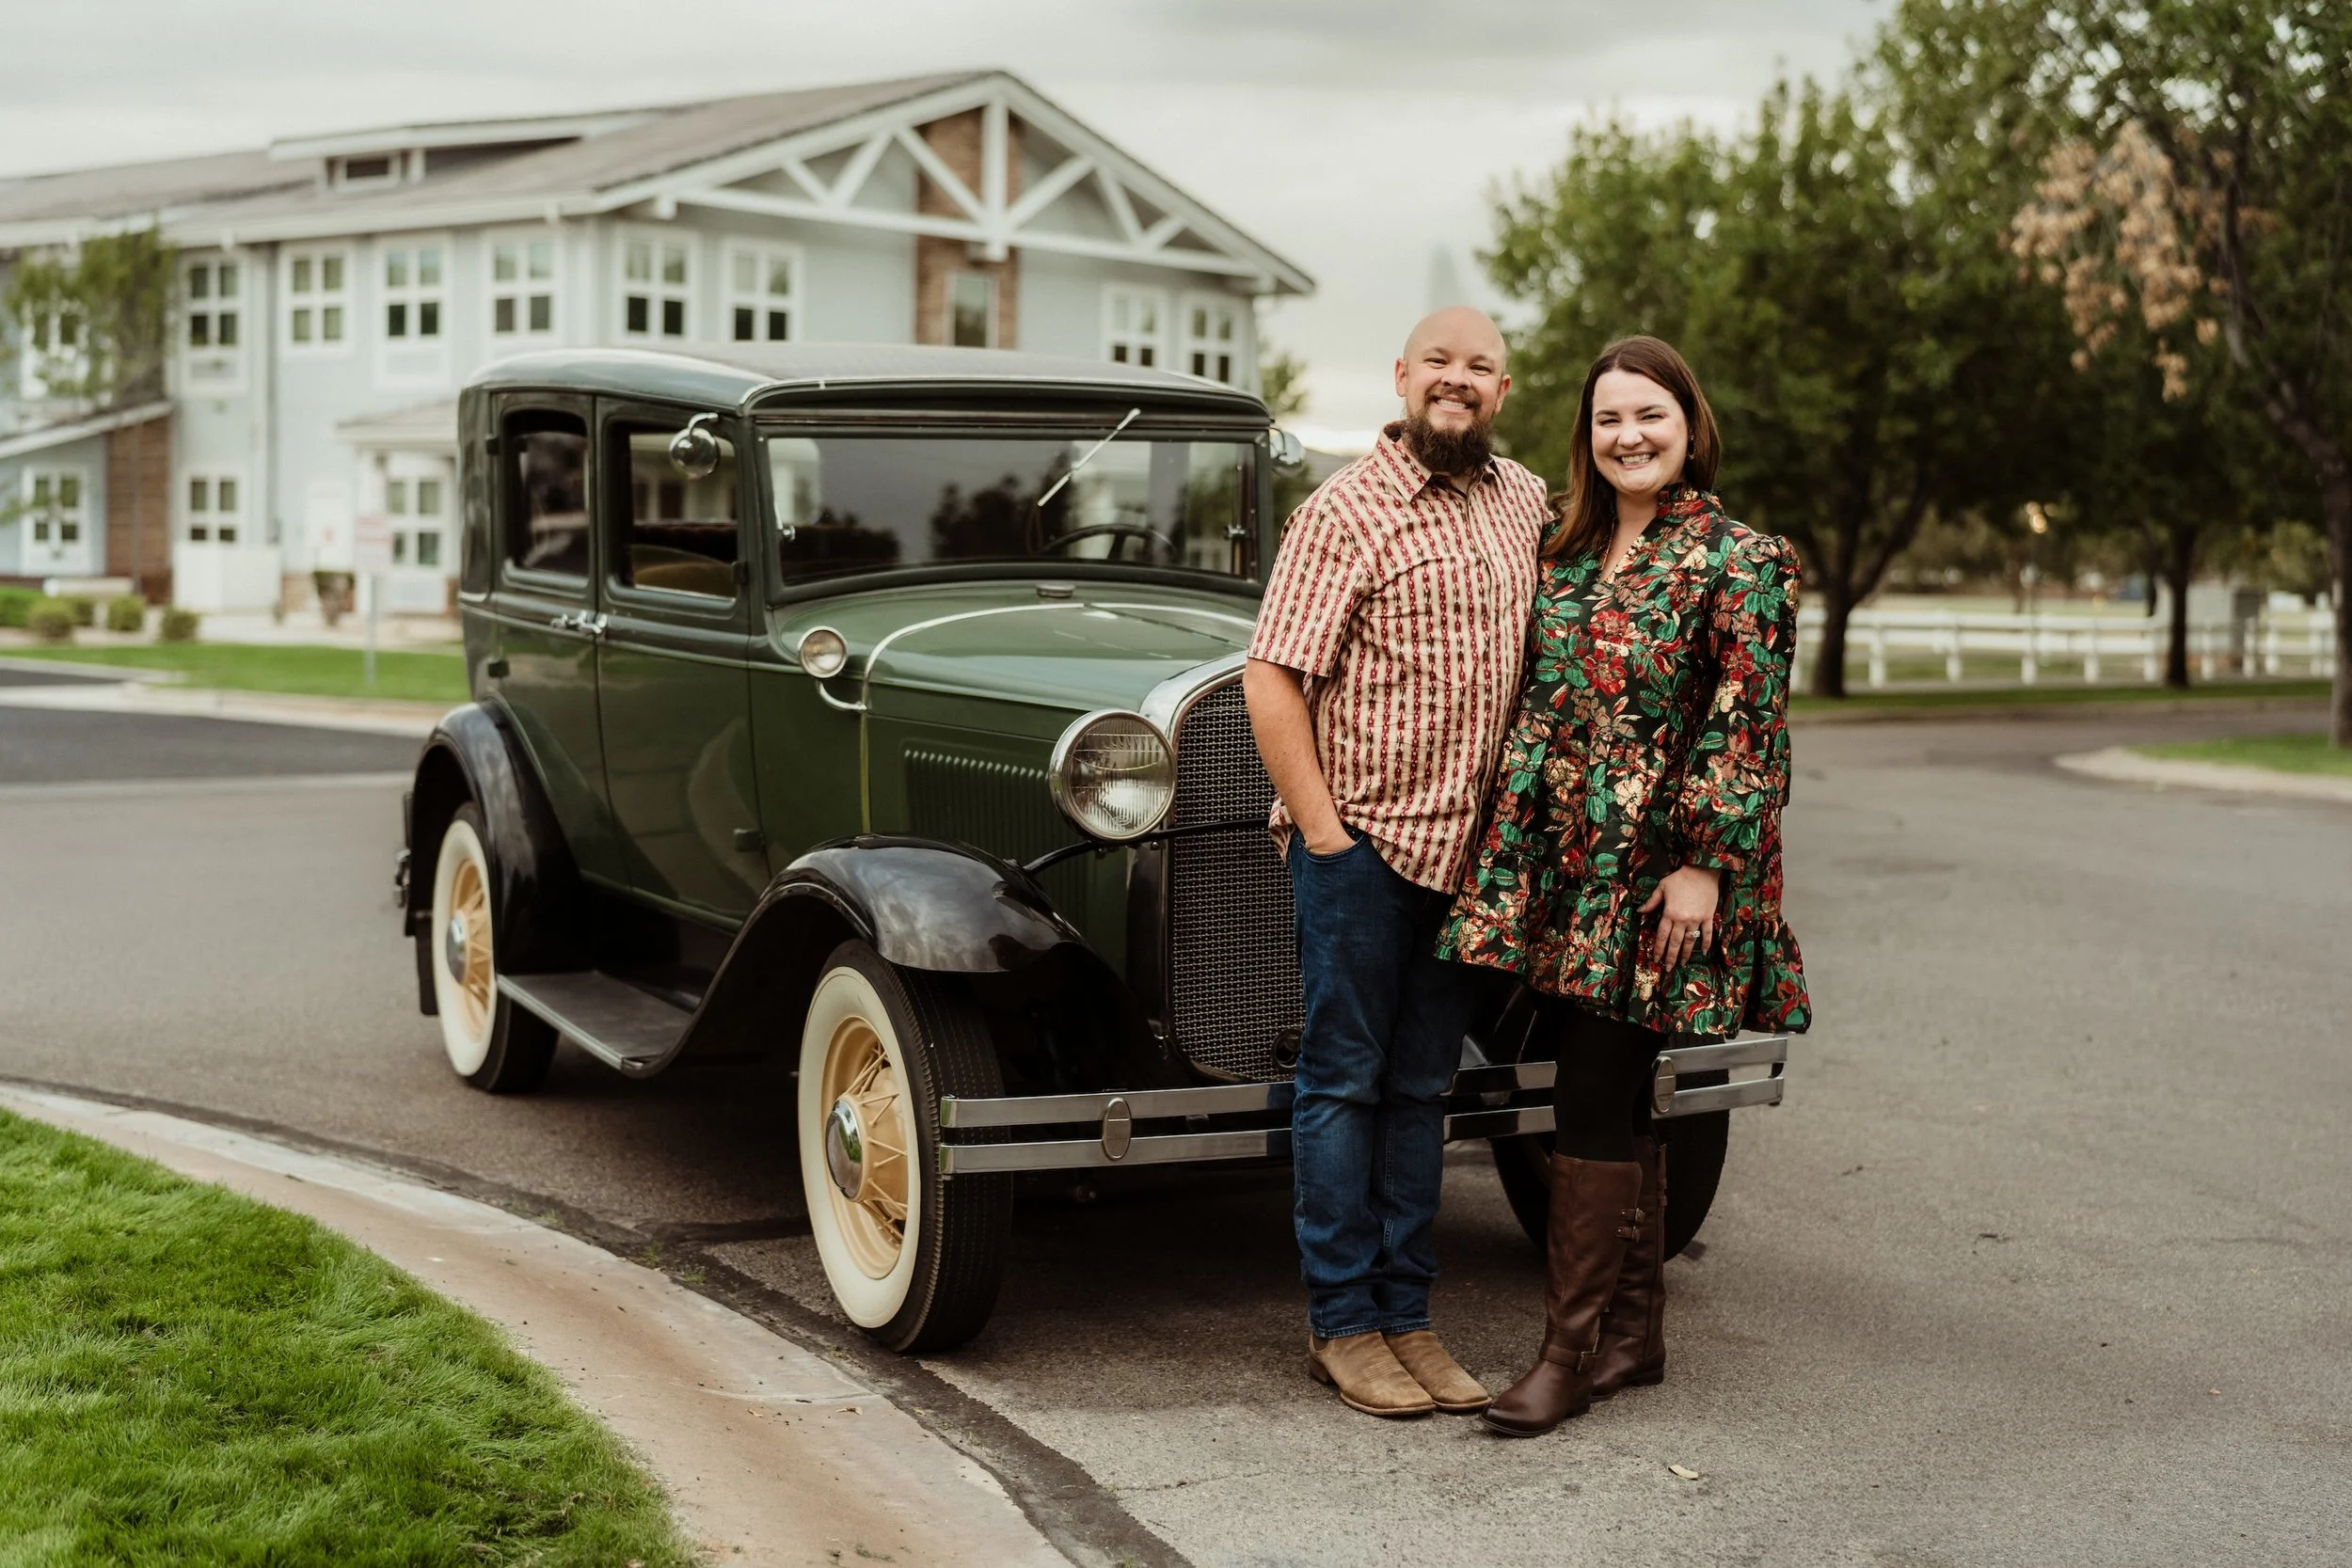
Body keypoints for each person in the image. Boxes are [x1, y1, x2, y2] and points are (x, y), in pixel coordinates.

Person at [1438, 335, 1810, 1438]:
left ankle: (1567, 1350)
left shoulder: (1739, 559)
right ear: (1585, 437)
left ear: (1688, 424)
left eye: (1648, 415)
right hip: (1562, 866)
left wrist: (1704, 861)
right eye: (1607, 420)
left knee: (1593, 1090)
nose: (1628, 436)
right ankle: (1633, 1330)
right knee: (1608, 1084)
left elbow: (1748, 722)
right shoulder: (1564, 555)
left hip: (1659, 873)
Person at [1245, 308, 1552, 1419]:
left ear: (1502, 390)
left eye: (1479, 367)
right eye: (1439, 362)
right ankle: (1343, 1325)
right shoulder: (1344, 510)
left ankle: (1408, 1315)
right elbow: (1271, 677)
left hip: (1468, 859)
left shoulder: (1521, 501)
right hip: (1363, 848)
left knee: (1423, 1089)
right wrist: (1323, 829)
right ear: (1402, 376)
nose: (1456, 381)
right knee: (1342, 1083)